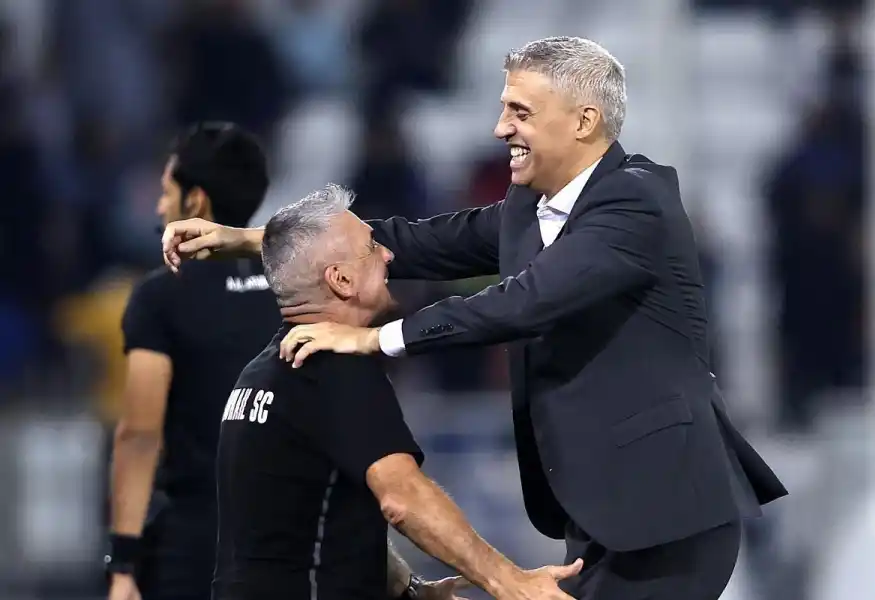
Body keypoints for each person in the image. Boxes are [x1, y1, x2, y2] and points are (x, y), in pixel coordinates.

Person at [161, 37, 788, 600]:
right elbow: (398, 240)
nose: (498, 128)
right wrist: (246, 239)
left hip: (668, 515)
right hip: (605, 519)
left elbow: (526, 301)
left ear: (584, 121)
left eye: (519, 112)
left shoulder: (636, 202)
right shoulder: (526, 208)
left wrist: (376, 339)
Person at [214, 184, 581, 600]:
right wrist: (510, 582)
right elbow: (403, 498)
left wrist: (408, 589)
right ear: (341, 279)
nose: (389, 255)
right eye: (372, 247)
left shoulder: (263, 372)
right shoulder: (334, 368)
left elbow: (318, 514)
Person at [107, 123, 283, 600]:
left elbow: (140, 433)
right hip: (296, 535)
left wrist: (122, 564)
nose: (161, 207)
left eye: (167, 193)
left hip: (197, 540)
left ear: (196, 201)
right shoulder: (296, 289)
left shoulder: (160, 297)